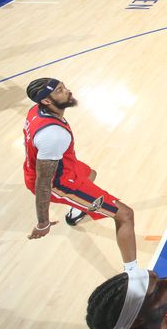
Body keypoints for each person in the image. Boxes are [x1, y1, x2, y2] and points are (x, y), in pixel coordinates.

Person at [24, 78, 138, 270]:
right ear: (46, 101)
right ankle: (134, 277)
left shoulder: (36, 111)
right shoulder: (52, 135)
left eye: (64, 86)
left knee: (91, 173)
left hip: (63, 166)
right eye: (60, 90)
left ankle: (77, 209)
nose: (68, 91)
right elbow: (43, 184)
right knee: (125, 215)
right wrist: (43, 222)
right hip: (59, 184)